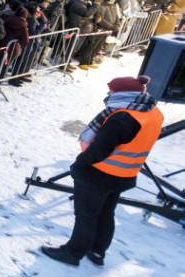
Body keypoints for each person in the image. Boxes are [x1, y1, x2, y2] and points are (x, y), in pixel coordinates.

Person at [40, 76, 164, 267]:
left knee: (86, 216)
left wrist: (79, 165)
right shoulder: (153, 112)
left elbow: (99, 150)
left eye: (112, 91)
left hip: (99, 174)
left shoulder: (123, 118)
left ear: (123, 93)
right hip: (125, 175)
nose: (109, 94)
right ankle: (97, 251)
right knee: (106, 213)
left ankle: (73, 253)